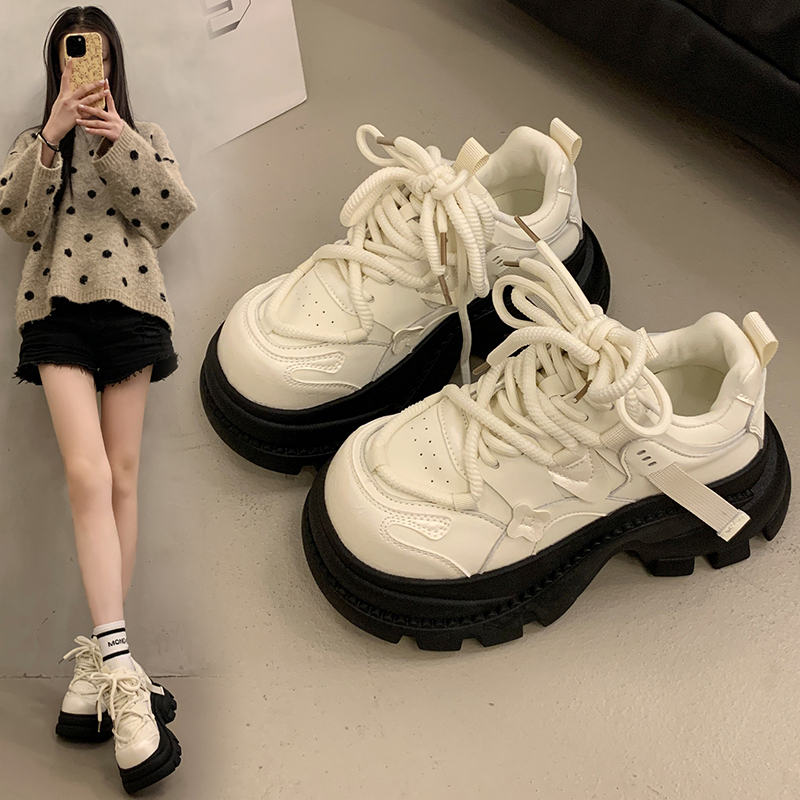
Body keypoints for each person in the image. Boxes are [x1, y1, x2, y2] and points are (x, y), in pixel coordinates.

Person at [0, 7, 196, 794]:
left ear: (115, 64)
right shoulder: (33, 143)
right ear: (58, 66)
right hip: (55, 314)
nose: (91, 71)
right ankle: (120, 668)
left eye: (101, 58)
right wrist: (52, 136)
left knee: (120, 478)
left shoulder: (144, 135)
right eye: (77, 58)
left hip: (133, 309)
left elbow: (169, 212)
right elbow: (15, 218)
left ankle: (94, 674)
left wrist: (118, 140)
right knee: (85, 475)